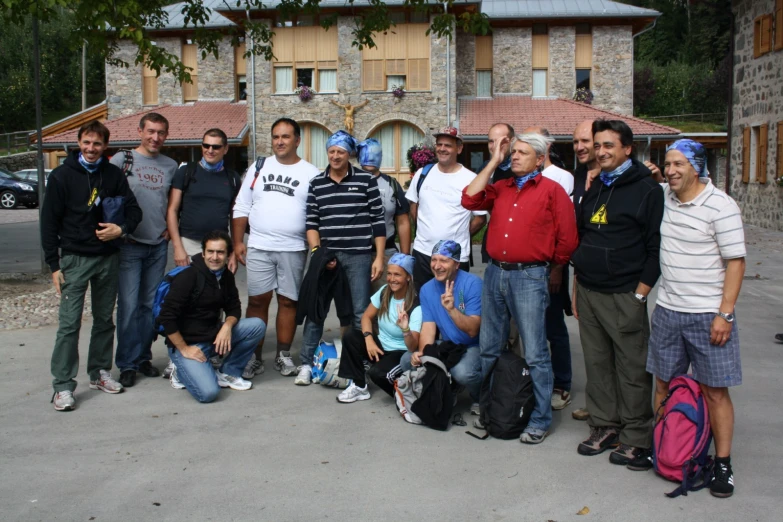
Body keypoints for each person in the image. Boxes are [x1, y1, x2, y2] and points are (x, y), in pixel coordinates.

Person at [463, 133, 578, 444]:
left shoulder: (553, 191)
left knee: (536, 351)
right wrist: (494, 161)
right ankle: (489, 409)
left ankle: (540, 419)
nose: (514, 156)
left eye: (521, 153)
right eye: (512, 152)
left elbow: (568, 240)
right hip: (494, 274)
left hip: (529, 277)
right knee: (489, 347)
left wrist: (546, 267)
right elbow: (469, 199)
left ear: (539, 159)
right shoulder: (500, 188)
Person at [645, 139, 745, 497]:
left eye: (679, 164)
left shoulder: (721, 206)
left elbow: (736, 262)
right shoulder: (663, 198)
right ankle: (664, 446)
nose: (671, 170)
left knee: (715, 391)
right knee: (663, 384)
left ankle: (722, 463)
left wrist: (725, 314)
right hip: (669, 310)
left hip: (708, 315)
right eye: (667, 163)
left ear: (697, 166)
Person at [570, 120, 663, 467]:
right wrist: (578, 286)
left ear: (628, 148)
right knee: (597, 365)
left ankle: (637, 436)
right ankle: (604, 425)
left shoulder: (647, 190)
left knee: (632, 368)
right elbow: (585, 238)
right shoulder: (596, 185)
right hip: (591, 290)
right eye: (598, 145)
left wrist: (640, 294)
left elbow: (656, 248)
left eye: (609, 145)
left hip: (625, 293)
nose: (601, 151)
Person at [41, 120, 143, 411]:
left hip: (107, 258)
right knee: (69, 324)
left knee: (103, 320)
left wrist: (120, 229)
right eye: (86, 142)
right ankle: (62, 385)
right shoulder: (62, 176)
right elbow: (48, 223)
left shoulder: (113, 174)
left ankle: (99, 373)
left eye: (97, 143)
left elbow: (135, 211)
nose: (91, 148)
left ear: (105, 146)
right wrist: (54, 265)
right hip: (74, 259)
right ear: (79, 142)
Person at [232, 118, 320, 380]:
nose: (280, 142)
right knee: (258, 300)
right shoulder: (258, 167)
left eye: (285, 137)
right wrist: (238, 241)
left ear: (297, 140)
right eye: (276, 137)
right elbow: (241, 206)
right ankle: (253, 356)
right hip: (259, 245)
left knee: (288, 301)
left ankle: (283, 354)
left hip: (293, 248)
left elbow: (315, 215)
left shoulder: (311, 173)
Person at [297, 130, 386, 385]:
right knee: (318, 310)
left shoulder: (366, 181)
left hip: (358, 256)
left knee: (359, 312)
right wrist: (317, 254)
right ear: (328, 152)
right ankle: (305, 363)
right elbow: (312, 223)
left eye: (341, 152)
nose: (335, 156)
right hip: (326, 255)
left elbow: (378, 222)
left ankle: (356, 363)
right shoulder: (316, 183)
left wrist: (378, 257)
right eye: (332, 151)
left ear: (349, 155)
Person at [156, 230, 266, 403]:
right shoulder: (188, 277)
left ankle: (228, 372)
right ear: (203, 252)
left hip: (213, 338)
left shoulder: (225, 276)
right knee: (208, 393)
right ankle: (180, 371)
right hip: (188, 345)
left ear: (228, 255)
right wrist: (184, 349)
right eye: (210, 252)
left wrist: (227, 326)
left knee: (256, 325)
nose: (215, 257)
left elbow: (234, 308)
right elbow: (166, 317)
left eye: (220, 252)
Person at [112, 112, 178, 388]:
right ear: (139, 131)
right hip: (129, 245)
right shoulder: (122, 160)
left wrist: (168, 229)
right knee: (128, 306)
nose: (155, 137)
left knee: (149, 307)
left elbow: (174, 204)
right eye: (150, 131)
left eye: (161, 132)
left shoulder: (171, 165)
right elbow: (107, 198)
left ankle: (142, 358)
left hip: (157, 245)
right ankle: (126, 363)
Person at [401, 241, 483, 411]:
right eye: (434, 260)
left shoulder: (473, 284)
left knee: (462, 372)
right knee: (407, 360)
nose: (437, 266)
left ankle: (481, 396)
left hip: (474, 346)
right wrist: (423, 355)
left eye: (444, 261)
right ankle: (448, 388)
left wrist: (452, 310)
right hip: (450, 346)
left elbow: (473, 330)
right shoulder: (427, 289)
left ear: (457, 264)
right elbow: (429, 328)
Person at [406, 127, 487, 291]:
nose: (442, 149)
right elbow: (413, 207)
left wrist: (457, 236)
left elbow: (480, 218)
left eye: (448, 145)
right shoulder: (423, 174)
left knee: (453, 306)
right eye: (439, 144)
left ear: (459, 148)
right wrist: (425, 230)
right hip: (423, 253)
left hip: (454, 256)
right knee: (422, 304)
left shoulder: (471, 179)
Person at [335, 253, 421, 403]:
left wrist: (405, 329)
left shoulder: (416, 305)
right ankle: (359, 386)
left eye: (397, 275)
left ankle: (408, 397)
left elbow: (413, 346)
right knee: (351, 336)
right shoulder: (384, 292)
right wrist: (368, 339)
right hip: (381, 347)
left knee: (379, 374)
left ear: (408, 277)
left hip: (400, 352)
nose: (392, 279)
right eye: (389, 273)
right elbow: (366, 317)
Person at [167, 128, 240, 273]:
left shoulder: (232, 178)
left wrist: (233, 251)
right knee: (188, 291)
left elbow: (235, 215)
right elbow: (172, 210)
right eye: (206, 145)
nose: (210, 150)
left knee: (216, 292)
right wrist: (178, 247)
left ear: (225, 149)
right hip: (189, 243)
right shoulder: (186, 171)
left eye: (216, 147)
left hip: (219, 246)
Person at [569, 119, 601, 421]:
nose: (579, 147)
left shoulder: (615, 178)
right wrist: (576, 284)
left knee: (620, 352)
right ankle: (598, 406)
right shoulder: (578, 177)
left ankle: (620, 413)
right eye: (576, 141)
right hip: (585, 275)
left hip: (619, 282)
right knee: (593, 349)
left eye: (585, 141)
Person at [357, 138, 412, 294]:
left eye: (375, 153)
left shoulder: (391, 185)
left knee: (386, 302)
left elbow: (402, 221)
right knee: (356, 305)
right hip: (356, 253)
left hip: (386, 251)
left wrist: (404, 258)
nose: (371, 157)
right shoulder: (349, 182)